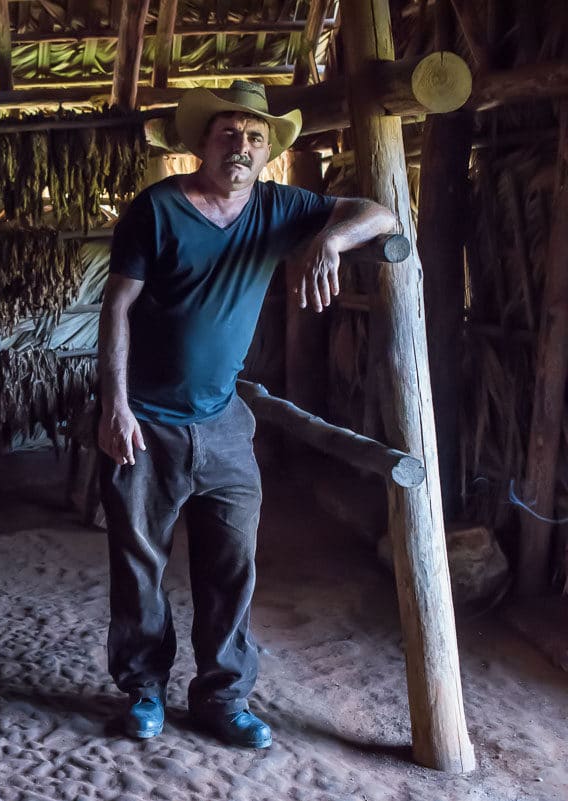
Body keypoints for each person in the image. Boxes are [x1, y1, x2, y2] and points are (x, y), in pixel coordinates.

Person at [97, 80, 397, 749]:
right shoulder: (157, 211)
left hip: (225, 422)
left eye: (255, 138)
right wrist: (113, 405)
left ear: (268, 152)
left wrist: (332, 241)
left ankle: (222, 697)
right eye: (228, 134)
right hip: (145, 418)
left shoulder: (281, 208)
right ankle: (144, 691)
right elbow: (116, 307)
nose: (241, 147)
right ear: (203, 143)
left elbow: (381, 213)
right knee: (140, 562)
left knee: (232, 564)